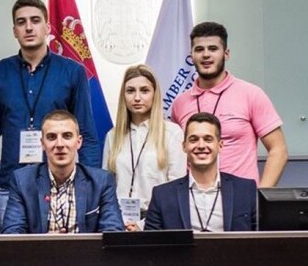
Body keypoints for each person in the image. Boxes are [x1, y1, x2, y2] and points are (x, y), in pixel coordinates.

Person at [0, 0, 101, 227]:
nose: (29, 27)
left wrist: (91, 189)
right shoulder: (0, 73)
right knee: (15, 259)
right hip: (10, 189)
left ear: (48, 28)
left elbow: (87, 134)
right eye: (21, 22)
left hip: (62, 187)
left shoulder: (72, 72)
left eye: (35, 20)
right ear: (14, 30)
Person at [170, 21, 287, 187]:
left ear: (226, 54)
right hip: (193, 201)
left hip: (241, 202)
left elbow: (279, 150)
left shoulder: (251, 94)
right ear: (191, 56)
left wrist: (260, 197)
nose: (205, 55)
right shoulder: (180, 103)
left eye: (213, 49)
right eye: (199, 49)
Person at [1, 110, 123, 234]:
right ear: (42, 144)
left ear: (79, 142)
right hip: (39, 253)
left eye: (67, 136)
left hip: (86, 253)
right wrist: (45, 244)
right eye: (51, 137)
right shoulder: (22, 181)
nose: (59, 144)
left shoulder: (101, 182)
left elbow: (113, 232)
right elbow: (12, 235)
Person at [103, 65, 186, 231]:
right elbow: (106, 188)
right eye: (131, 91)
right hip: (119, 225)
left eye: (145, 90)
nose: (137, 97)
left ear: (155, 94)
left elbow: (176, 190)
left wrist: (142, 225)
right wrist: (117, 222)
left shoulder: (172, 133)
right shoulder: (113, 136)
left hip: (157, 223)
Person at [145, 112, 257, 232]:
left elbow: (263, 241)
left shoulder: (246, 190)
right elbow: (151, 247)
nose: (201, 145)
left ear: (220, 145)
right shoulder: (162, 195)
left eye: (208, 139)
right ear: (184, 146)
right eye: (194, 140)